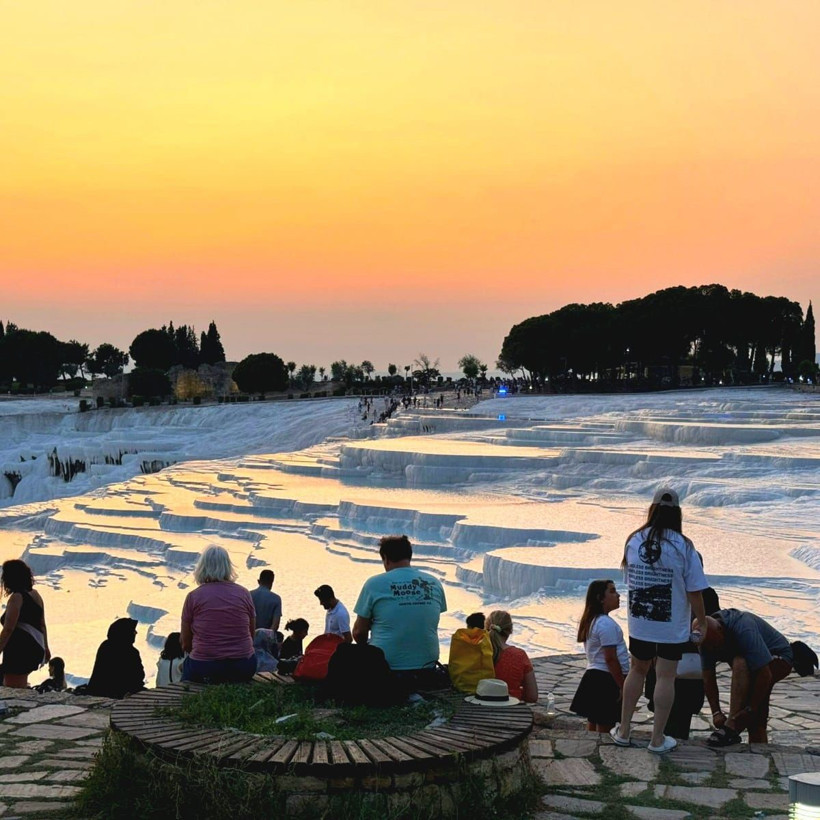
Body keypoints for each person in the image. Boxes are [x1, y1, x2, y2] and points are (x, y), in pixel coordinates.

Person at [612, 486, 708, 754]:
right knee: (666, 677)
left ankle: (623, 730)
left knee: (637, 670)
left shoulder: (633, 540)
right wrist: (701, 620)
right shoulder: (683, 546)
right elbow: (695, 591)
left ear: (652, 509)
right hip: (671, 625)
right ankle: (656, 738)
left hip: (641, 621)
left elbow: (630, 580)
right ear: (677, 513)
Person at [352, 535, 447, 675]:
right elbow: (423, 618)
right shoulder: (434, 582)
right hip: (427, 667)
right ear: (409, 556)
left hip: (386, 667)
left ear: (385, 558)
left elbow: (359, 632)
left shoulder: (374, 584)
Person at [699, 610, 794, 745]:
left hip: (778, 657)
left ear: (721, 631)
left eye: (716, 645)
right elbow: (708, 677)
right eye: (709, 647)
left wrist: (750, 708)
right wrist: (716, 712)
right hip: (753, 663)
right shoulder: (705, 639)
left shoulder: (744, 629)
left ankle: (731, 727)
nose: (713, 649)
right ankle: (747, 739)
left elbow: (765, 674)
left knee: (741, 663)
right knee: (752, 711)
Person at [180, 545, 256, 684]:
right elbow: (251, 634)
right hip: (243, 665)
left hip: (206, 666)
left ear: (202, 567)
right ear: (228, 567)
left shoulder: (193, 597)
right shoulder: (244, 593)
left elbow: (185, 643)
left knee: (185, 671)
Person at [570, 580, 628, 732]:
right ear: (600, 598)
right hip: (606, 680)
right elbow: (610, 658)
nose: (618, 595)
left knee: (594, 721)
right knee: (605, 725)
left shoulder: (593, 621)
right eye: (612, 591)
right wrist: (622, 685)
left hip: (595, 676)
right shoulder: (605, 624)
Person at [0, 559, 49, 688]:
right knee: (19, 683)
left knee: (12, 687)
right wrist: (46, 648)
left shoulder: (16, 598)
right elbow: (42, 624)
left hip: (19, 648)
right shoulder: (36, 595)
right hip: (35, 646)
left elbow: (8, 629)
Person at [486, 610, 538, 703]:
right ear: (510, 630)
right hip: (510, 707)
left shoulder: (478, 653)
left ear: (486, 628)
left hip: (480, 703)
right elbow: (532, 696)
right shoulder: (519, 655)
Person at [86, 618, 145, 698]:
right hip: (119, 694)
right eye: (133, 631)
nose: (135, 633)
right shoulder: (130, 652)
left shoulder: (105, 646)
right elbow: (138, 676)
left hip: (97, 691)